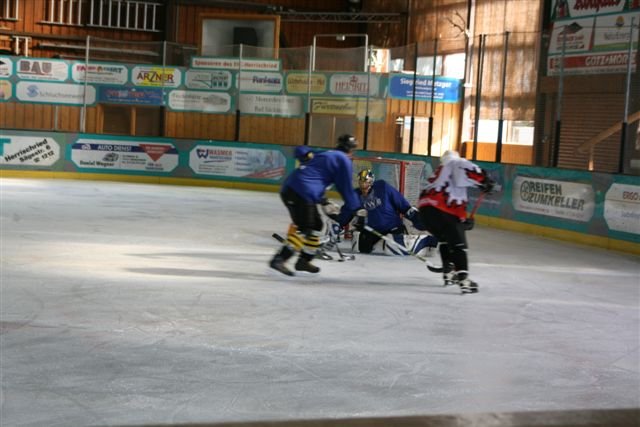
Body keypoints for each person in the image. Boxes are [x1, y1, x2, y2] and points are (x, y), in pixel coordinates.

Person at [269, 135, 364, 276]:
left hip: (291, 189)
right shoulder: (344, 160)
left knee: (317, 226)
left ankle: (304, 261)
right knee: (306, 228)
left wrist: (323, 201)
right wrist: (356, 209)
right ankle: (280, 259)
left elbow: (301, 151)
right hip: (302, 192)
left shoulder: (324, 154)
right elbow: (346, 189)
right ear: (352, 150)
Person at [417, 150, 495, 294]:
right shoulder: (455, 162)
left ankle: (448, 273)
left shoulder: (439, 172)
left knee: (446, 240)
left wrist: (461, 222)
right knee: (459, 245)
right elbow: (469, 170)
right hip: (442, 207)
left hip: (425, 211)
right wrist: (485, 180)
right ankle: (463, 280)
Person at [337, 168, 438, 256]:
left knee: (392, 249)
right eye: (361, 182)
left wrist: (421, 222)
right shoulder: (355, 195)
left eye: (365, 182)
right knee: (361, 248)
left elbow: (403, 205)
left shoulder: (383, 187)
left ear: (371, 182)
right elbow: (346, 212)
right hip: (372, 229)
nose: (363, 185)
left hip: (392, 227)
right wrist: (338, 226)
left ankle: (425, 241)